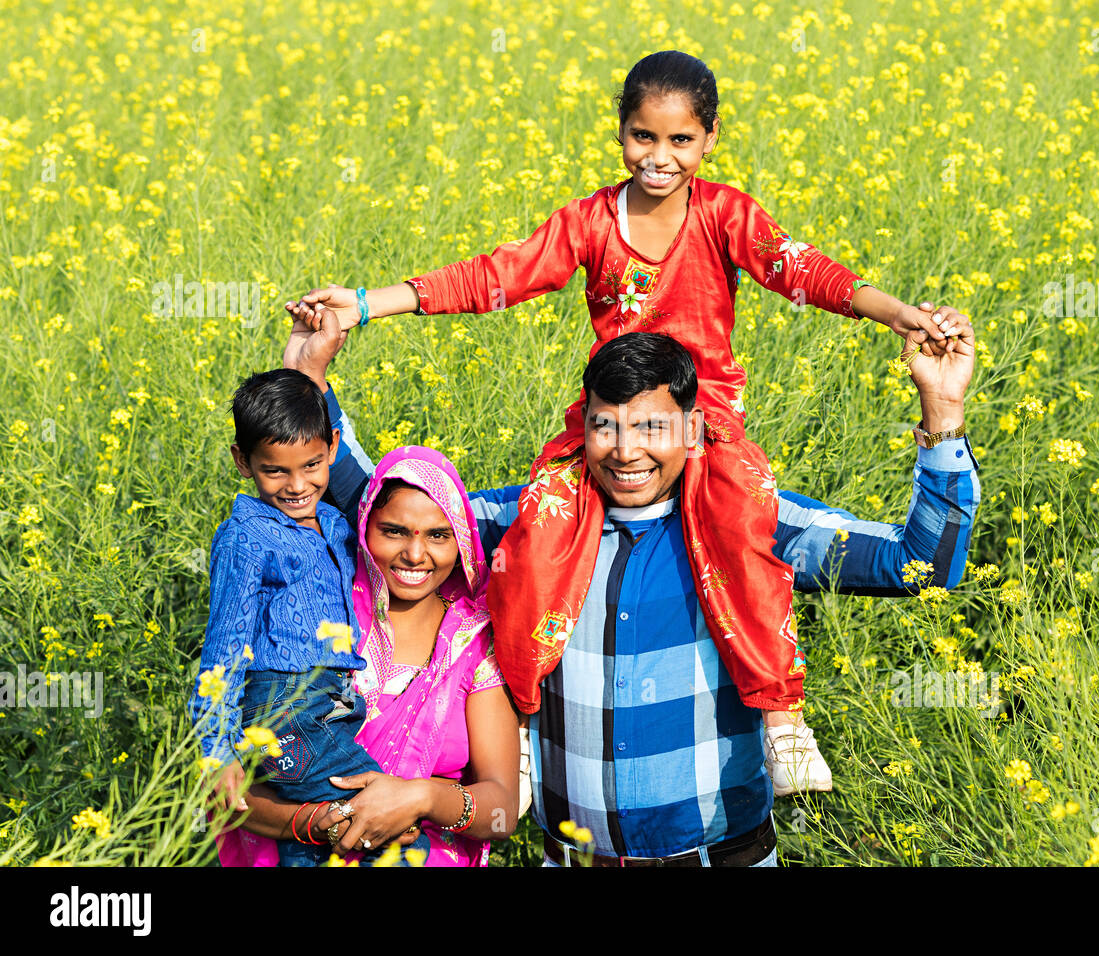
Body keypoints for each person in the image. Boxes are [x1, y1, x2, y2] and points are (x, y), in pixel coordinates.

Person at [287, 50, 972, 795]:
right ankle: (516, 720)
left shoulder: (724, 215)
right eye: (644, 137)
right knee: (536, 539)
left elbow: (801, 270)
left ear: (709, 140)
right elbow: (494, 278)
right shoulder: (589, 222)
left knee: (744, 527)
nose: (660, 157)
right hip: (603, 416)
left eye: (680, 141)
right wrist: (359, 308)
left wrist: (905, 325)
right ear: (620, 134)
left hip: (705, 423)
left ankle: (781, 718)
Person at [287, 310, 980, 866]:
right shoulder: (535, 517)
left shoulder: (751, 519)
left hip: (722, 855)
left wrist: (942, 416)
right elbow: (386, 506)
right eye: (605, 426)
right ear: (581, 428)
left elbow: (922, 563)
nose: (626, 450)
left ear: (692, 427)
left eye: (650, 426)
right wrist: (311, 377)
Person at [220, 413, 520, 865]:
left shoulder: (474, 646)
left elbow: (502, 808)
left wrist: (420, 799)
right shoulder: (317, 618)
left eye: (438, 536)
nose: (415, 554)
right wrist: (318, 820)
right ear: (363, 528)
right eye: (394, 531)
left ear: (460, 542)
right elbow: (242, 779)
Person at [187, 369, 432, 866]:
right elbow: (224, 648)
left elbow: (409, 516)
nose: (297, 485)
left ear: (333, 446)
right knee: (395, 831)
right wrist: (215, 753)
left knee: (314, 845)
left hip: (331, 709)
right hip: (281, 714)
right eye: (275, 471)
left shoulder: (341, 523)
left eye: (313, 465)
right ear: (243, 462)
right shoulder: (245, 537)